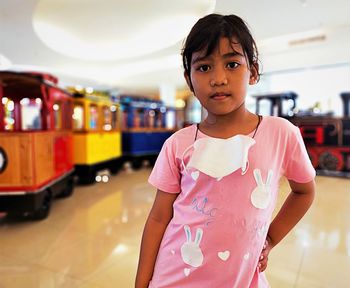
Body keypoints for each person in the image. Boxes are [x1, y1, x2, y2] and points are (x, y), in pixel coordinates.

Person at [135, 13, 315, 288]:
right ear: (189, 79)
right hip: (174, 277)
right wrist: (141, 283)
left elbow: (304, 191)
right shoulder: (178, 144)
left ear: (253, 71)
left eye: (232, 64)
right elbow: (159, 218)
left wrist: (270, 238)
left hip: (243, 280)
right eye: (204, 68)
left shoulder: (281, 134)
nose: (218, 79)